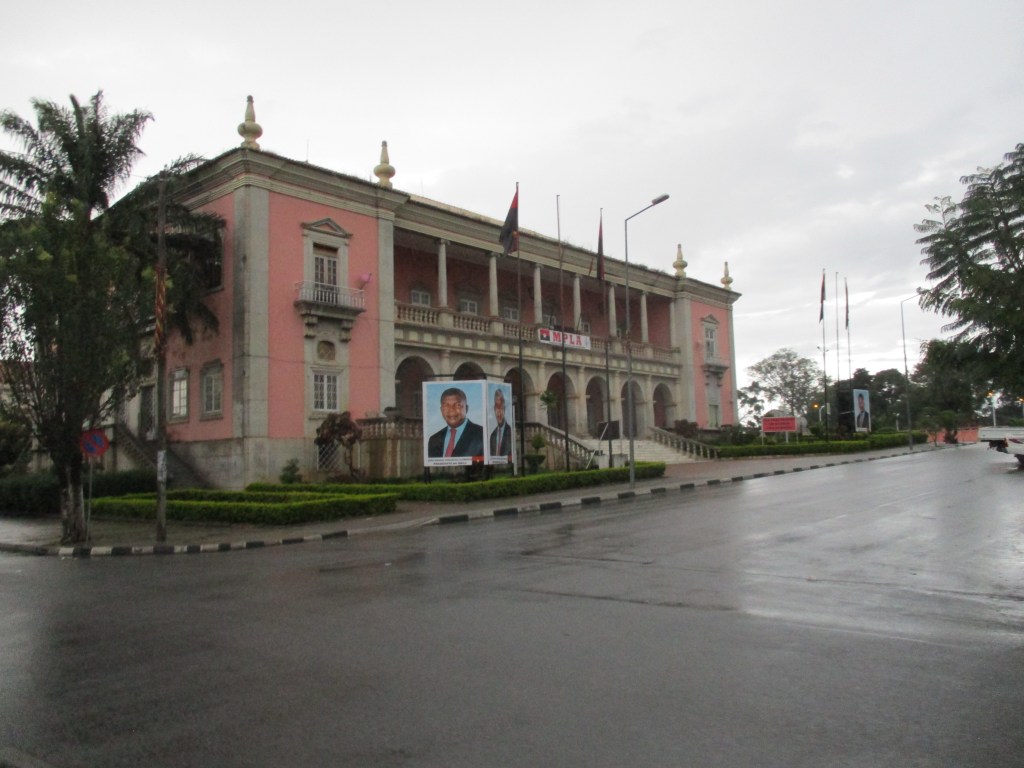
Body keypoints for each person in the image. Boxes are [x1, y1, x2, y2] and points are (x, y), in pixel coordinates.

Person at [427, 387, 485, 458]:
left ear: (466, 408)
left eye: (457, 405)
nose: (451, 410)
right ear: (441, 410)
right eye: (446, 406)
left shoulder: (482, 434)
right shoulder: (434, 439)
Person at [489, 388, 513, 460]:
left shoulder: (510, 431)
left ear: (505, 409)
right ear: (494, 409)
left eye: (501, 408)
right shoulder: (493, 435)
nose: (499, 413)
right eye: (497, 408)